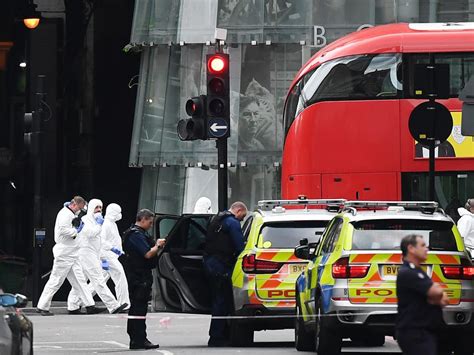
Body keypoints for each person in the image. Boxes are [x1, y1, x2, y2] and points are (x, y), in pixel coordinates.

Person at [36, 196, 104, 315]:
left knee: (80, 281)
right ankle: (42, 306)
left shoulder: (69, 213)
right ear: (74, 205)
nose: (80, 211)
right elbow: (63, 231)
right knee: (56, 280)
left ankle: (89, 305)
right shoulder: (65, 214)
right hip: (65, 253)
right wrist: (76, 230)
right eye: (80, 208)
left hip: (72, 252)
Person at [67, 199, 128, 314]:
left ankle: (73, 304)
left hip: (93, 254)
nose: (99, 210)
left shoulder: (96, 221)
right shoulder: (85, 220)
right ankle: (113, 305)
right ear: (90, 208)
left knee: (81, 281)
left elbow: (100, 242)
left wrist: (103, 257)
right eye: (97, 207)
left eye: (100, 207)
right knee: (98, 279)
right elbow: (91, 233)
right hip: (85, 253)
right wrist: (99, 224)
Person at [203, 201, 248, 347]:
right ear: (238, 210)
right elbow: (240, 247)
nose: (242, 219)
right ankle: (217, 336)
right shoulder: (232, 223)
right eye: (243, 216)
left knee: (218, 299)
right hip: (222, 266)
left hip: (211, 263)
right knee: (222, 301)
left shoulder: (216, 219)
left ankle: (218, 334)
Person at [396, 234, 449, 355]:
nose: (427, 249)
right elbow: (437, 292)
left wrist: (434, 296)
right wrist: (434, 294)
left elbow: (445, 299)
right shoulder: (409, 272)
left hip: (425, 331)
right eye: (423, 245)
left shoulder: (418, 271)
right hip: (415, 332)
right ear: (411, 248)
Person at [123, 209, 165, 350]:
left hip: (139, 275)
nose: (151, 225)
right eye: (150, 222)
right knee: (138, 309)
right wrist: (158, 246)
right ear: (143, 219)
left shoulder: (136, 233)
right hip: (139, 277)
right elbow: (147, 254)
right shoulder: (136, 235)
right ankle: (139, 339)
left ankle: (138, 339)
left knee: (138, 309)